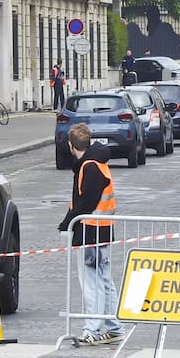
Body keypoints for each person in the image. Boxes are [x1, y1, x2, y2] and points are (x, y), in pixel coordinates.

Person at [57, 124, 125, 346]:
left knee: (92, 283)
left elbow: (84, 202)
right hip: (101, 228)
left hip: (90, 230)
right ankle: (114, 327)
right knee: (104, 280)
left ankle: (93, 330)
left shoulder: (89, 167)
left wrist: (67, 223)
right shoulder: (97, 163)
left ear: (71, 145)